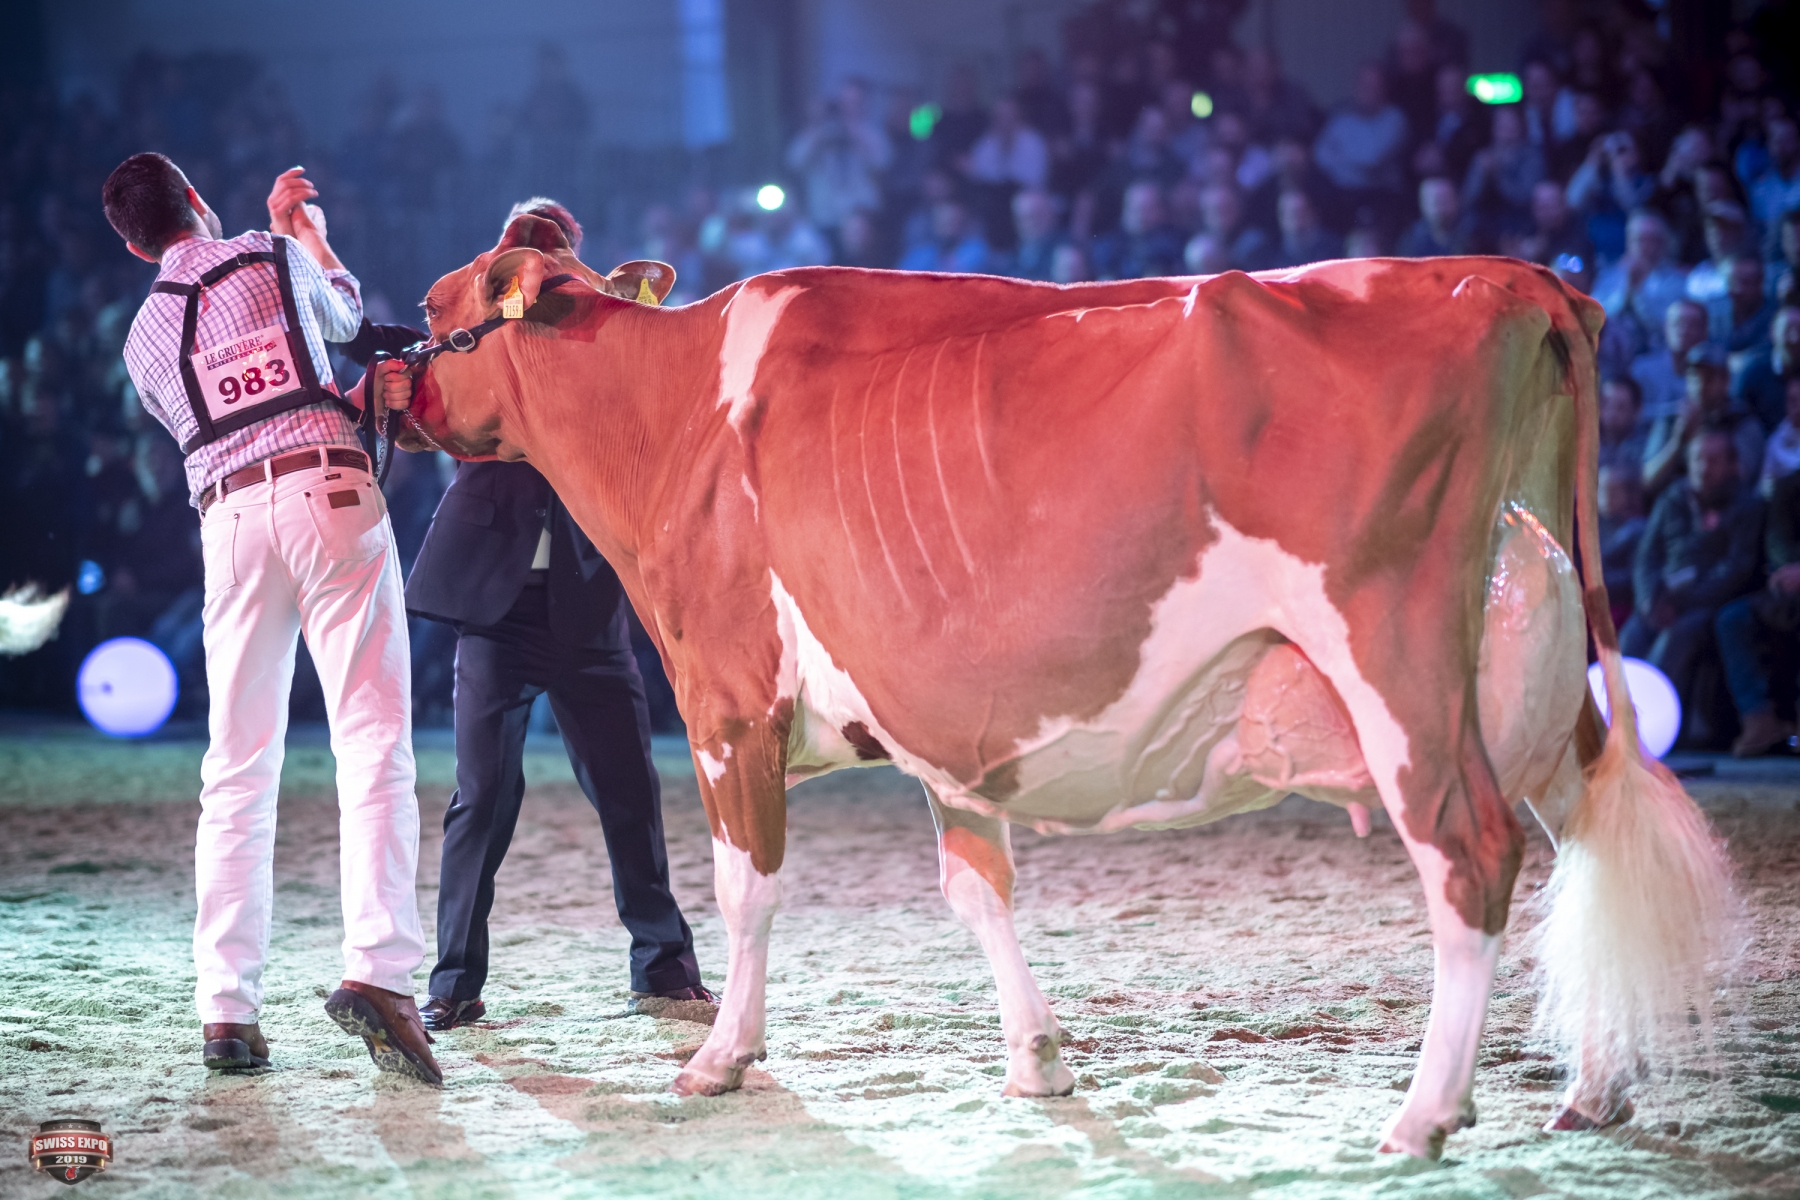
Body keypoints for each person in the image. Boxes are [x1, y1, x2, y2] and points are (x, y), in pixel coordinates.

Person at [103, 154, 436, 1080]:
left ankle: (226, 1011)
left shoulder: (140, 339)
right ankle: (379, 972)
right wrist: (307, 233)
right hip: (330, 496)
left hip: (231, 524)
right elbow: (347, 319)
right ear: (197, 202)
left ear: (135, 248)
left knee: (236, 769)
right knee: (372, 742)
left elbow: (214, 421)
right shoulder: (266, 252)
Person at [406, 199, 711, 1030]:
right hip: (497, 606)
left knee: (628, 791)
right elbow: (433, 407)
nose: (541, 255)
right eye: (530, 246)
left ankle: (664, 968)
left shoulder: (596, 330)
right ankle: (453, 983)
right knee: (483, 797)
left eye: (552, 246)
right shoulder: (481, 327)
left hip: (586, 601)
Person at [1625, 427, 1766, 725]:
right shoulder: (1672, 498)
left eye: (1714, 460)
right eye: (1698, 459)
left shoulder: (1747, 506)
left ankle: (1644, 726)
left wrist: (1681, 602)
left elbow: (1738, 569)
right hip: (1663, 600)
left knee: (1674, 639)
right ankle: (1606, 724)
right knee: (1630, 637)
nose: (1704, 467)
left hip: (1706, 605)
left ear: (1731, 465)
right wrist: (1650, 600)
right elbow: (1646, 557)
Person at [1719, 413, 1800, 756]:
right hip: (1789, 589)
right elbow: (1778, 541)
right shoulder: (1788, 488)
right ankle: (1760, 720)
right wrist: (1788, 570)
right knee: (1733, 618)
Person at [1643, 342, 1765, 496]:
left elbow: (1742, 477)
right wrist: (1677, 443)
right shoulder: (1672, 420)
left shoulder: (1743, 422)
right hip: (1677, 504)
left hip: (1725, 506)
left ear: (1726, 380)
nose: (1700, 385)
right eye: (1694, 376)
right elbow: (1648, 480)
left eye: (1709, 377)